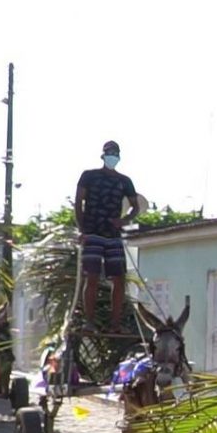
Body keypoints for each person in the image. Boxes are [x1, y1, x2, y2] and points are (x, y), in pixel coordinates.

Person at [74, 140, 143, 334]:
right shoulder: (89, 176)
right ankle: (89, 322)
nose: (112, 157)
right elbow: (78, 203)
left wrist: (124, 220)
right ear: (103, 156)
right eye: (109, 153)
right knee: (92, 277)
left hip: (113, 235)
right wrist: (82, 229)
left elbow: (135, 206)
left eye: (115, 154)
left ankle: (115, 324)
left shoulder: (124, 181)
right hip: (92, 232)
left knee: (119, 278)